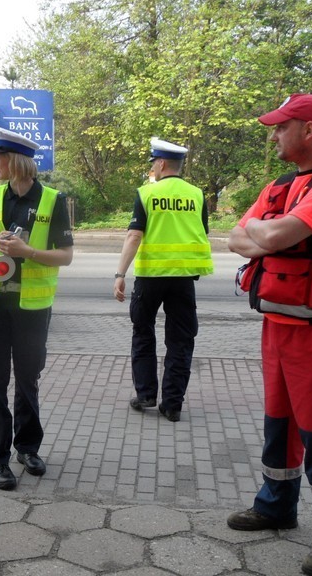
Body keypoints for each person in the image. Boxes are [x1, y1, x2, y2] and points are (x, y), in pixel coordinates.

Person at [226, 94, 312, 576]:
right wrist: (266, 231)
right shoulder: (281, 183)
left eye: (281, 127)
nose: (273, 134)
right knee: (279, 423)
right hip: (276, 324)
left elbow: (273, 238)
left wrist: (265, 232)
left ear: (308, 130)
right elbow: (237, 236)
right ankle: (275, 506)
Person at [0, 126, 74, 490]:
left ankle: (27, 448)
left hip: (33, 306)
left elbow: (66, 256)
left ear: (14, 161)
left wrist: (29, 254)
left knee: (28, 378)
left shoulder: (53, 200)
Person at [113, 138, 213, 422]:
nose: (153, 168)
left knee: (143, 333)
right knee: (181, 341)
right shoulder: (196, 194)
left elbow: (134, 235)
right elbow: (201, 232)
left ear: (162, 163)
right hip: (183, 279)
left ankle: (146, 394)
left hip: (151, 277)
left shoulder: (146, 194)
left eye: (154, 163)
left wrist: (120, 274)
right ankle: (172, 404)